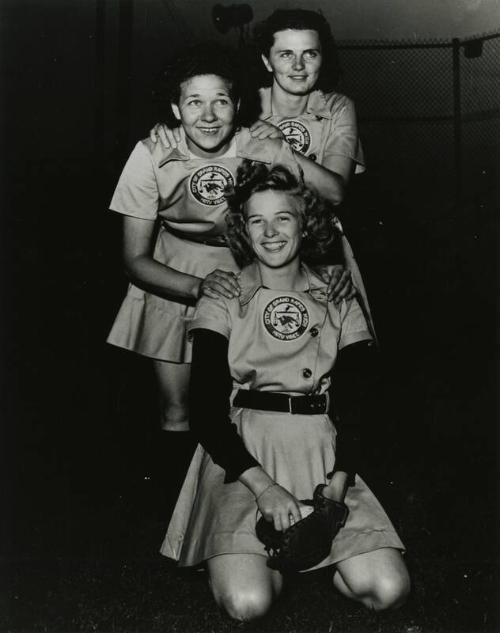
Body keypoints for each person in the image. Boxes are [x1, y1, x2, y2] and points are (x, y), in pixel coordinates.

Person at [161, 162, 410, 621]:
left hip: (321, 452)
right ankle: (255, 559)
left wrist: (337, 486)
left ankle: (316, 555)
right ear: (243, 229)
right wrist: (265, 489)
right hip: (243, 454)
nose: (270, 232)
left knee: (387, 590)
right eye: (256, 220)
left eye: (283, 217)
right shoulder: (223, 294)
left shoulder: (336, 293)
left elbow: (361, 404)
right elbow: (205, 412)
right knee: (248, 603)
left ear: (305, 222)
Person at [106, 43, 352, 508]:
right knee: (178, 409)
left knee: (244, 399)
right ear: (176, 108)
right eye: (194, 102)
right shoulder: (151, 152)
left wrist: (331, 265)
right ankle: (180, 522)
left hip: (247, 267)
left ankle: (253, 507)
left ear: (237, 104)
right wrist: (197, 289)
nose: (208, 115)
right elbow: (134, 259)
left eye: (220, 100)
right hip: (173, 271)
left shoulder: (257, 144)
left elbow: (314, 208)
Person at [150, 9, 374, 329]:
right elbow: (198, 120)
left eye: (309, 54)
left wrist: (282, 149)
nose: (298, 67)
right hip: (259, 249)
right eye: (285, 54)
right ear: (267, 61)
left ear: (323, 58)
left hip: (319, 249)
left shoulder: (338, 106)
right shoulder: (244, 103)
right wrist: (169, 128)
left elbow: (335, 191)